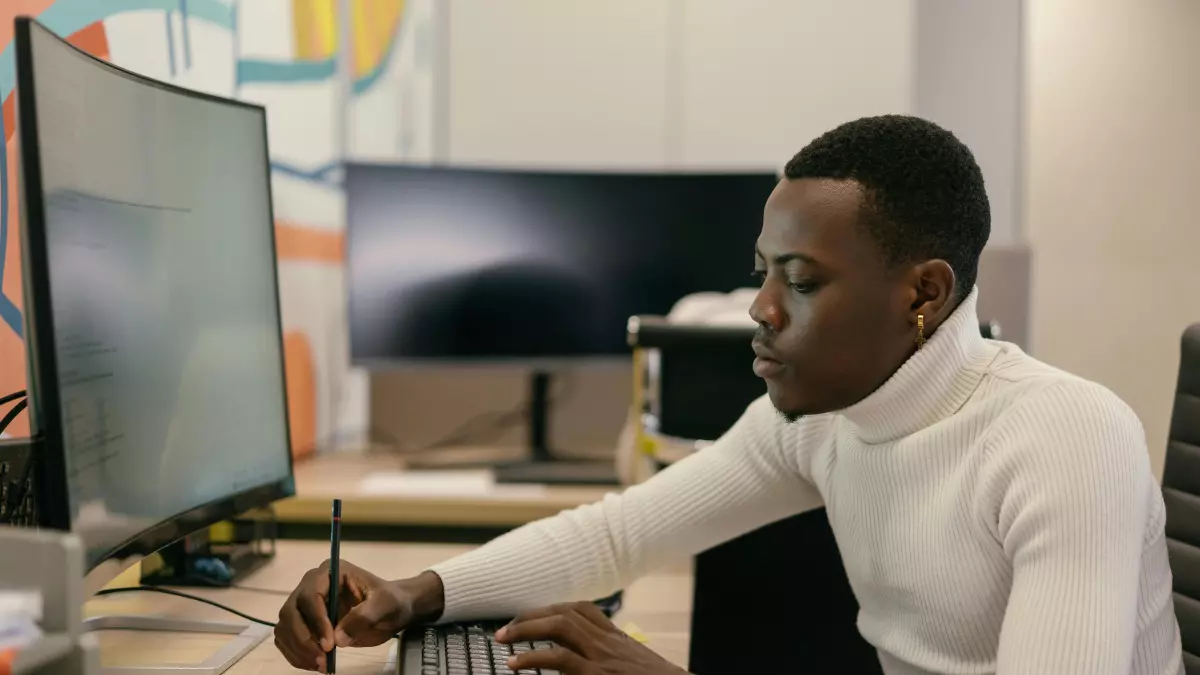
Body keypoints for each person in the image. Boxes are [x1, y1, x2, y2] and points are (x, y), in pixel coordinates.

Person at [273, 115, 1183, 675]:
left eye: (803, 279)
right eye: (762, 272)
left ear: (924, 294)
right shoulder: (822, 419)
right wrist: (416, 592)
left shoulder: (1064, 435)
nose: (759, 307)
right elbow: (618, 535)